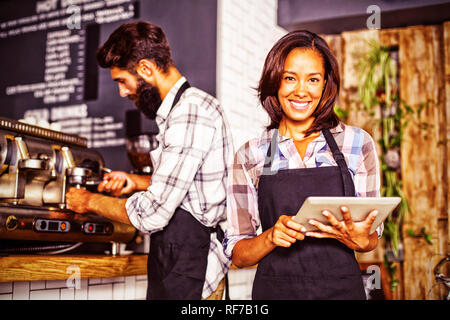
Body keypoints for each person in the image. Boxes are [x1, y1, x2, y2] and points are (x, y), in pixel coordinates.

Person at [66, 21, 233, 300]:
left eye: (122, 81)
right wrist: (136, 182)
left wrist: (87, 201)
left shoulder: (189, 113)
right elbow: (190, 187)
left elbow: (152, 213)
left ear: (145, 69)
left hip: (195, 271)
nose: (122, 92)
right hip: (183, 264)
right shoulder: (184, 110)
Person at [224, 30, 383, 300]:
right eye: (289, 78)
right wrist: (271, 236)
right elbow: (239, 255)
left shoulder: (356, 144)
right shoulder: (252, 155)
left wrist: (361, 239)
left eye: (313, 79)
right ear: (275, 82)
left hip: (342, 292)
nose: (301, 90)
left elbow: (370, 240)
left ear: (325, 85)